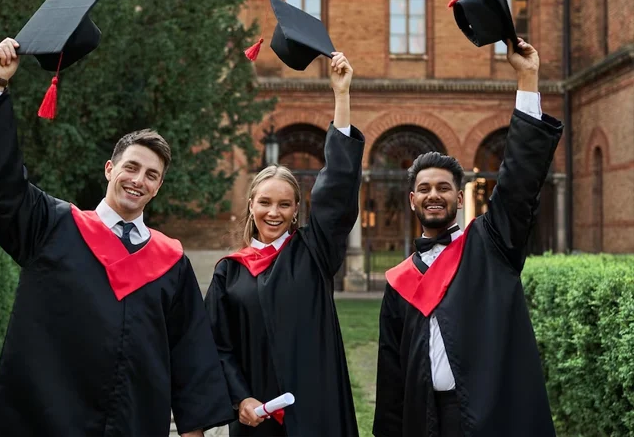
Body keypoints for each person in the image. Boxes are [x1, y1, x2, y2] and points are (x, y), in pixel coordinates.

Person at [0, 32, 234, 436]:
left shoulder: (171, 263)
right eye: (132, 167)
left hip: (133, 422)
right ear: (109, 169)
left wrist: (193, 431)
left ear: (158, 188)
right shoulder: (50, 225)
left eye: (152, 175)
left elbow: (190, 353)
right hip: (47, 420)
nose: (138, 180)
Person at [372, 38, 562, 437]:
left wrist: (527, 78)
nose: (433, 195)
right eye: (424, 189)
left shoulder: (490, 246)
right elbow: (391, 374)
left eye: (443, 188)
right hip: (423, 417)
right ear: (412, 201)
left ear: (459, 198)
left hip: (483, 415)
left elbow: (518, 184)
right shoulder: (399, 282)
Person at [204, 45, 364, 436]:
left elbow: (337, 191)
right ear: (251, 205)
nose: (273, 213)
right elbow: (215, 346)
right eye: (265, 202)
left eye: (284, 204)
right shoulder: (230, 272)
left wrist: (341, 97)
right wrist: (241, 399)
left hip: (317, 413)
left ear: (296, 211)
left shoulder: (313, 253)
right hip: (256, 419)